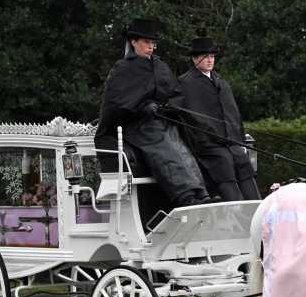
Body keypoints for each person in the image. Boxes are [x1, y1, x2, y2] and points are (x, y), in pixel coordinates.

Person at [94, 18, 211, 207]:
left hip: (161, 121)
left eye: (153, 43)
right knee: (164, 145)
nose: (151, 47)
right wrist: (141, 108)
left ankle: (201, 192)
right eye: (146, 43)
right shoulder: (122, 68)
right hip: (136, 126)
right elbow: (116, 103)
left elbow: (175, 93)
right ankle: (185, 195)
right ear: (133, 42)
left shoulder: (160, 66)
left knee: (181, 145)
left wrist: (168, 107)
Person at [176, 34, 260, 201]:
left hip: (231, 141)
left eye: (212, 56)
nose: (209, 60)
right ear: (194, 59)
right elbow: (185, 117)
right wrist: (205, 138)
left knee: (242, 161)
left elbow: (234, 114)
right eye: (205, 56)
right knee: (224, 161)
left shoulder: (221, 82)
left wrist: (239, 139)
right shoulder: (185, 83)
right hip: (208, 144)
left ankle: (256, 206)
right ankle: (235, 209)